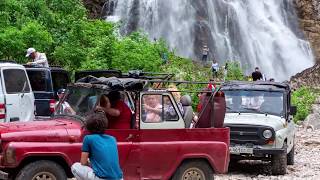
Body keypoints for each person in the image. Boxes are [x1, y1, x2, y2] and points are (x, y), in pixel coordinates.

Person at [71, 113, 123, 180]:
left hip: (102, 178)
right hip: (119, 178)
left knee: (75, 166)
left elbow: (83, 162)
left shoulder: (88, 138)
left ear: (88, 126)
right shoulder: (112, 139)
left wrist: (90, 164)